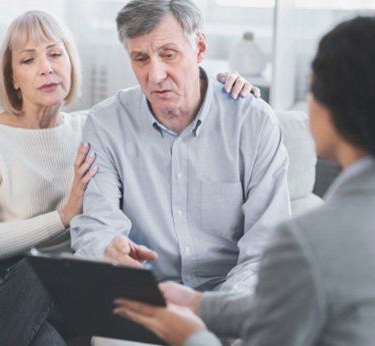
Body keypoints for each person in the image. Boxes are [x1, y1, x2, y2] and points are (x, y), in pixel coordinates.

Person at [0, 9, 256, 345]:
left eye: (56, 54)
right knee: (37, 275)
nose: (47, 67)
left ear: (70, 62)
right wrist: (63, 217)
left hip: (54, 286)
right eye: (28, 60)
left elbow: (170, 84)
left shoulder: (93, 128)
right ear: (12, 77)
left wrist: (220, 82)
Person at [112, 14, 375, 346]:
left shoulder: (308, 241)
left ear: (342, 109)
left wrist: (190, 336)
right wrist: (201, 305)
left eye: (311, 88)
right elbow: (292, 308)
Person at [70, 0, 291, 297]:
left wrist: (211, 311)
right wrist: (107, 251)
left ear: (199, 48)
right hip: (147, 297)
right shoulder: (106, 124)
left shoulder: (253, 122)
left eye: (168, 55)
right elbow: (97, 227)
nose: (155, 75)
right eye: (140, 58)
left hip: (233, 297)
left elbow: (266, 250)